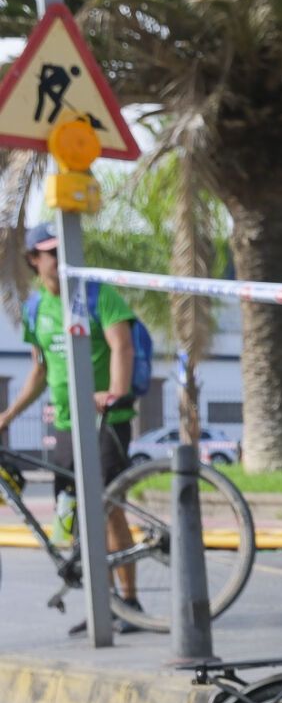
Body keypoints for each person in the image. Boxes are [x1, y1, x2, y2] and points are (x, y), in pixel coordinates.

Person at [0, 222, 142, 629]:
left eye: (64, 251)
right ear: (34, 260)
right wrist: (8, 416)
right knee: (78, 513)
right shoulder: (35, 308)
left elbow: (122, 345)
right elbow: (39, 370)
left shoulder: (98, 293)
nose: (59, 260)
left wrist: (114, 392)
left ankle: (129, 602)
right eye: (50, 253)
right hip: (66, 422)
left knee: (108, 508)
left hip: (105, 420)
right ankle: (102, 604)